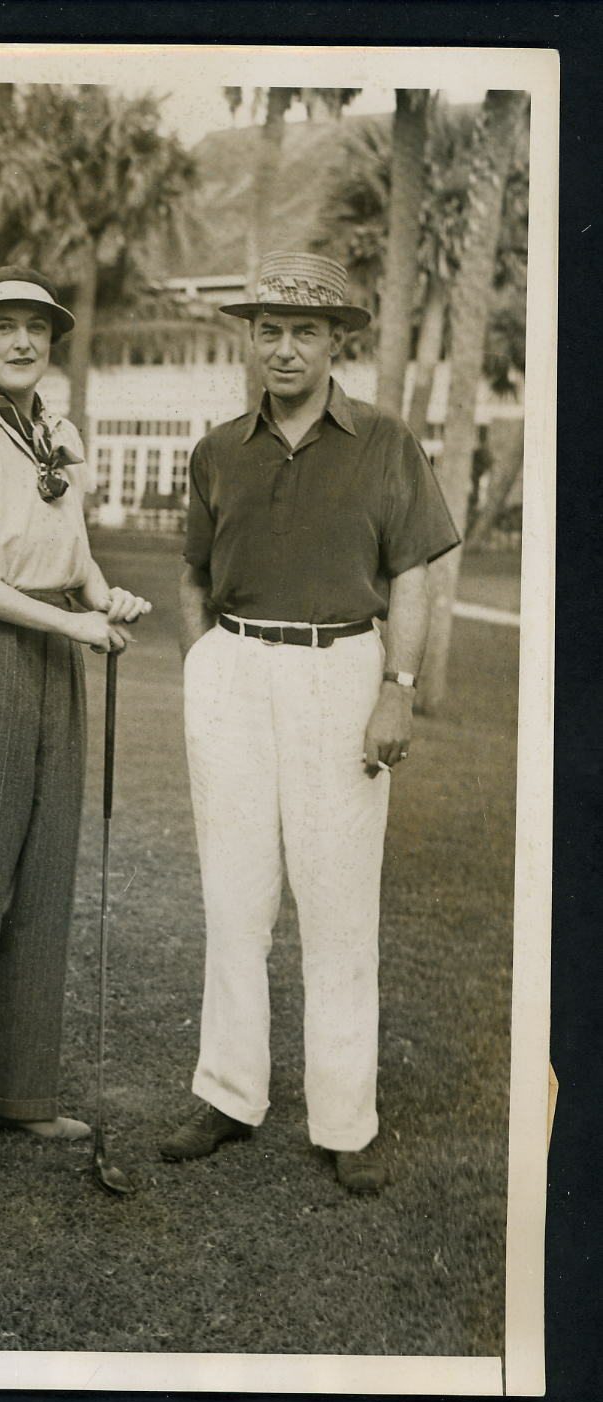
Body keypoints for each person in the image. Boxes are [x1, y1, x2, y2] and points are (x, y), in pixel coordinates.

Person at [159, 252, 460, 1192]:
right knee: (234, 900)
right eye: (269, 330)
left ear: (339, 343)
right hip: (236, 668)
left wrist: (399, 686)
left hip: (343, 672)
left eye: (305, 331)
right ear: (250, 339)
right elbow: (193, 575)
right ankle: (229, 1095)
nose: (284, 349)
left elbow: (411, 570)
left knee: (337, 909)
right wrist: (207, 662)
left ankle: (344, 1121)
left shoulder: (384, 441)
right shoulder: (218, 449)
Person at [0, 267, 151, 1174]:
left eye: (36, 330)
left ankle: (18, 1096)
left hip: (58, 651)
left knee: (45, 877)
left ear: (53, 341)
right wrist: (68, 621)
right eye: (2, 328)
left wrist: (103, 594)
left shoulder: (56, 426)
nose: (20, 343)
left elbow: (72, 539)